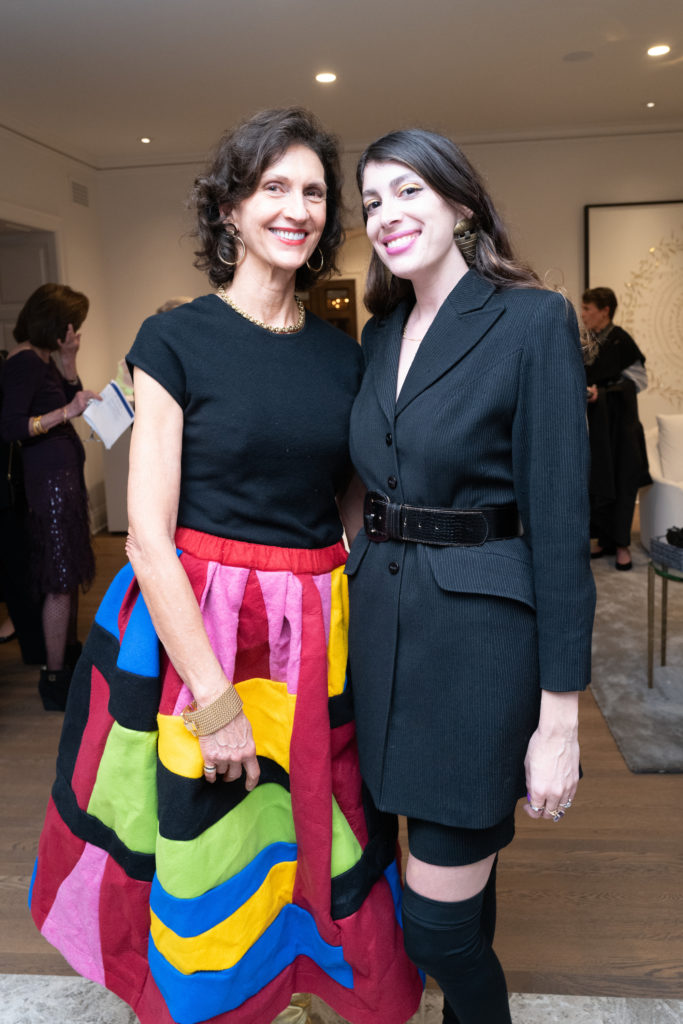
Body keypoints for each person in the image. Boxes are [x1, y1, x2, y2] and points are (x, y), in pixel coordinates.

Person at [29, 108, 422, 1024]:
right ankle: (217, 1000)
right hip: (197, 624)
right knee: (209, 825)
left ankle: (298, 978)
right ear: (231, 210)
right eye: (272, 188)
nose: (296, 209)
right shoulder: (177, 340)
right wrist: (211, 698)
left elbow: (351, 501)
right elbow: (148, 530)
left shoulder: (344, 354)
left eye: (314, 192)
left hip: (316, 621)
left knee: (307, 823)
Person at [345, 129, 596, 1024]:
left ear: (458, 203)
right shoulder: (377, 336)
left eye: (408, 192)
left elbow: (562, 528)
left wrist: (557, 720)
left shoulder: (529, 320)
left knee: (435, 931)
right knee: (445, 899)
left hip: (480, 653)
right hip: (379, 637)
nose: (388, 216)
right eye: (371, 203)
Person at [0, 284, 99, 706]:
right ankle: (54, 679)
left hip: (62, 480)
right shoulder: (23, 363)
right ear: (52, 324)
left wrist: (70, 359)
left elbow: (70, 391)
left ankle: (68, 660)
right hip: (48, 486)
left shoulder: (43, 360)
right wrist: (67, 413)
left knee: (68, 575)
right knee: (59, 582)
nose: (73, 330)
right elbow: (12, 427)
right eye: (69, 325)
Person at [582, 286, 650, 571]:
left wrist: (604, 393)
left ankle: (622, 545)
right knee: (599, 478)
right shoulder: (588, 342)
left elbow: (638, 381)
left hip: (622, 428)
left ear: (605, 310)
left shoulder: (621, 341)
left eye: (588, 309)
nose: (583, 315)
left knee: (621, 480)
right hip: (598, 428)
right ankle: (604, 539)